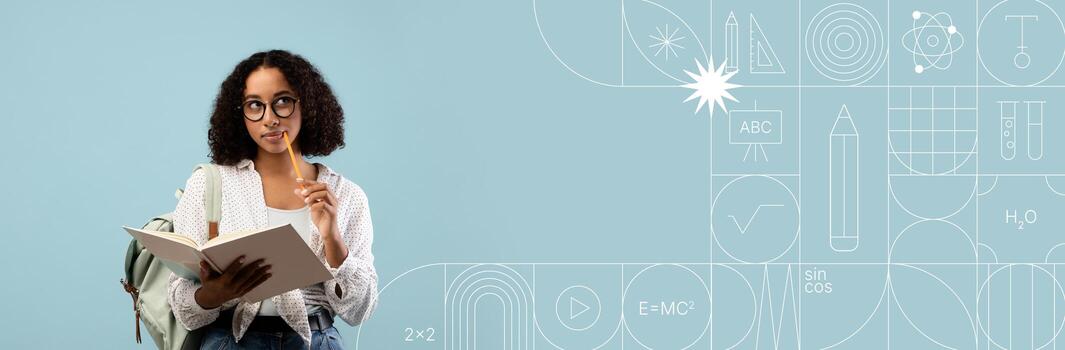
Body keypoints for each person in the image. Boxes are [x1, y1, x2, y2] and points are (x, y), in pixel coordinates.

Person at [167, 49, 377, 349]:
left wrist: (333, 239)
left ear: (308, 105)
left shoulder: (346, 195)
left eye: (282, 102)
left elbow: (360, 311)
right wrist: (214, 293)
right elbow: (181, 306)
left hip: (316, 342)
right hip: (229, 341)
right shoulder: (208, 184)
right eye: (255, 105)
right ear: (240, 114)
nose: (270, 119)